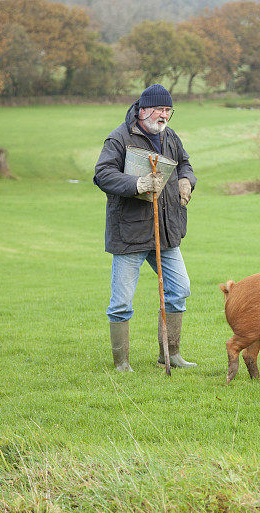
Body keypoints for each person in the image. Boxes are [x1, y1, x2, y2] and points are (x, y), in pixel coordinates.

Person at [94, 84, 197, 371]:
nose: (164, 116)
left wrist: (187, 181)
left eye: (168, 110)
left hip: (165, 232)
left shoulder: (170, 137)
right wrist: (136, 184)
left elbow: (185, 164)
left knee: (180, 289)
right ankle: (121, 363)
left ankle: (171, 355)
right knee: (121, 302)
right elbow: (102, 174)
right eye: (160, 110)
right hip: (130, 233)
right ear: (142, 110)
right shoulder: (118, 139)